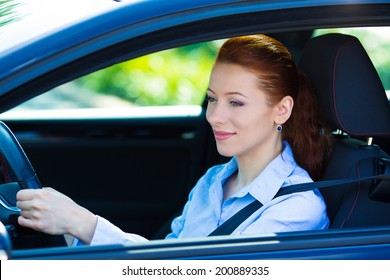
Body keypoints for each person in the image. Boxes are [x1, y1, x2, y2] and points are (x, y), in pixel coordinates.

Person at [16, 34, 333, 245]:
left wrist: (83, 223)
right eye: (212, 99)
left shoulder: (297, 208)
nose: (215, 116)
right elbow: (165, 257)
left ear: (281, 110)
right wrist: (72, 229)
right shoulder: (214, 181)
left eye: (235, 102)